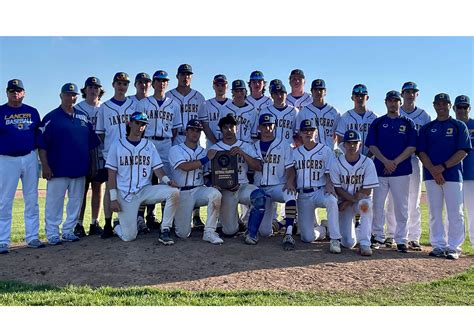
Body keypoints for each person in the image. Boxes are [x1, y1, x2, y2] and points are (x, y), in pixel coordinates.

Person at [38, 83, 100, 245]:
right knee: (54, 202)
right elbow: (42, 144)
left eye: (73, 95)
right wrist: (45, 165)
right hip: (58, 169)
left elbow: (92, 143)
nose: (70, 98)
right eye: (67, 94)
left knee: (75, 201)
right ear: (61, 96)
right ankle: (52, 232)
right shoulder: (51, 117)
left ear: (76, 97)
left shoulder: (82, 117)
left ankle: (68, 231)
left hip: (79, 169)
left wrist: (92, 165)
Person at [105, 112, 179, 244]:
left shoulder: (149, 145)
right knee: (129, 237)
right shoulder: (117, 145)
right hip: (125, 194)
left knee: (173, 192)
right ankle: (117, 225)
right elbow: (111, 174)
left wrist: (168, 181)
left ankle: (165, 230)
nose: (140, 126)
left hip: (145, 190)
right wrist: (113, 199)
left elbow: (158, 170)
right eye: (137, 123)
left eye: (143, 124)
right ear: (130, 123)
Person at [419, 93, 471, 260]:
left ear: (450, 106)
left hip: (453, 175)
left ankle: (454, 247)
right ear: (434, 105)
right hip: (431, 175)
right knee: (434, 211)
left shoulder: (458, 125)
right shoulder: (427, 128)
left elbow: (463, 151)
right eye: (438, 103)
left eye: (445, 103)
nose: (441, 106)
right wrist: (434, 171)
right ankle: (438, 245)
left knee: (455, 212)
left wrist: (442, 167)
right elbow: (421, 152)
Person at [365, 90, 417, 253]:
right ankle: (378, 236)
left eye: (396, 101)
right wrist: (385, 161)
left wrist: (394, 162)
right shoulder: (378, 122)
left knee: (401, 207)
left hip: (401, 170)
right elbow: (372, 146)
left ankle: (401, 239)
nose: (393, 103)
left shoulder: (408, 123)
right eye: (390, 101)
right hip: (380, 170)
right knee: (378, 205)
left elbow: (412, 147)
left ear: (400, 103)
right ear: (386, 102)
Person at [384, 82, 431, 250]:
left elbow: (425, 142)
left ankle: (413, 237)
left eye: (413, 92)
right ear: (402, 94)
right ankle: (390, 235)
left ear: (417, 94)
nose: (410, 95)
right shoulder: (396, 110)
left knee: (414, 199)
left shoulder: (423, 115)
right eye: (407, 92)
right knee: (392, 200)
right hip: (395, 161)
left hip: (413, 159)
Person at [0, 79, 44, 254]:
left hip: (29, 157)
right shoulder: (1, 111)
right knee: (4, 200)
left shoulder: (32, 112)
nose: (15, 93)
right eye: (12, 91)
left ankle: (33, 237)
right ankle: (3, 240)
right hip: (6, 159)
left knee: (32, 199)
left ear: (24, 93)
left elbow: (39, 138)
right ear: (7, 93)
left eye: (18, 91)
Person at [136, 70, 181, 233]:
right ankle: (141, 218)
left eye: (164, 81)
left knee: (165, 180)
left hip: (166, 142)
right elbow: (136, 125)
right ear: (153, 83)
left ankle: (165, 218)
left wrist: (166, 140)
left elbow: (175, 129)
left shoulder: (174, 105)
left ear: (167, 84)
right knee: (145, 180)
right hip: (147, 141)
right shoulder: (143, 103)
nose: (161, 83)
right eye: (158, 80)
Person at [95, 72, 139, 238]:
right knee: (110, 188)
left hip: (131, 153)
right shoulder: (105, 107)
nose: (122, 87)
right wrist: (106, 151)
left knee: (129, 187)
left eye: (125, 84)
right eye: (119, 83)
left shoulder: (134, 106)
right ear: (113, 85)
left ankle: (125, 221)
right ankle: (107, 223)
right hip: (112, 154)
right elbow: (100, 133)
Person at [208, 115, 264, 241]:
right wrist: (216, 185)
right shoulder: (215, 148)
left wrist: (242, 153)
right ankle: (235, 223)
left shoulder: (245, 146)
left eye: (231, 127)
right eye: (225, 127)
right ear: (221, 130)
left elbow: (258, 166)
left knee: (259, 196)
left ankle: (251, 234)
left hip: (243, 185)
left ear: (236, 129)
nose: (228, 130)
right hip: (226, 190)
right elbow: (208, 174)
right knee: (229, 231)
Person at [168, 119, 223, 244]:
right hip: (182, 192)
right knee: (183, 234)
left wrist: (212, 185)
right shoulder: (176, 149)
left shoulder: (203, 151)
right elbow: (185, 167)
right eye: (192, 129)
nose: (195, 133)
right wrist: (206, 159)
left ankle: (209, 232)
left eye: (198, 131)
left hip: (199, 189)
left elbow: (206, 176)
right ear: (186, 131)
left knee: (215, 194)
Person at [292, 119, 342, 253]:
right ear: (300, 134)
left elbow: (329, 172)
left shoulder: (325, 150)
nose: (308, 133)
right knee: (307, 238)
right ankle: (322, 229)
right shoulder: (295, 153)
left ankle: (335, 239)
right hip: (303, 195)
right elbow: (291, 173)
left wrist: (330, 185)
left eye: (311, 130)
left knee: (331, 200)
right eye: (305, 131)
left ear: (316, 132)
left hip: (319, 190)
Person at [166, 64, 206, 228]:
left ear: (191, 77)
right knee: (173, 178)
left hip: (195, 137)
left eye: (188, 74)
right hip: (176, 138)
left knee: (197, 174)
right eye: (182, 74)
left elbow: (203, 121)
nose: (185, 77)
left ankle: (196, 215)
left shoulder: (199, 96)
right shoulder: (169, 96)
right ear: (177, 76)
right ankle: (169, 214)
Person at [250, 113, 297, 250]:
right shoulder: (253, 146)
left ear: (274, 126)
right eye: (264, 125)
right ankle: (279, 224)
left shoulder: (284, 145)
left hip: (277, 186)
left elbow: (290, 168)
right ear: (259, 127)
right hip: (260, 188)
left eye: (270, 125)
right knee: (265, 232)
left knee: (290, 193)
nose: (267, 128)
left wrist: (289, 182)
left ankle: (288, 232)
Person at [330, 130, 379, 256]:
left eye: (355, 143)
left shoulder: (367, 162)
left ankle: (365, 244)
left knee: (366, 206)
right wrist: (348, 201)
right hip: (344, 202)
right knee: (347, 243)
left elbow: (367, 190)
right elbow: (337, 188)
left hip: (359, 201)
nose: (352, 146)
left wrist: (348, 201)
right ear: (343, 145)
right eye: (349, 143)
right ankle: (357, 232)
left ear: (360, 144)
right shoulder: (336, 163)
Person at [73, 77, 106, 238]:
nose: (93, 89)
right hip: (82, 153)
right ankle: (78, 224)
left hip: (100, 152)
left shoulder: (104, 108)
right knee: (82, 190)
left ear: (100, 90)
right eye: (90, 87)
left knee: (98, 188)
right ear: (84, 90)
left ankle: (95, 222)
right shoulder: (77, 109)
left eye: (96, 87)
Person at [295, 79, 340, 150]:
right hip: (310, 153)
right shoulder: (304, 112)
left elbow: (339, 135)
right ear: (311, 92)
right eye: (315, 89)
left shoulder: (334, 112)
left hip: (329, 152)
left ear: (325, 92)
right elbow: (298, 135)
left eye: (320, 89)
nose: (318, 92)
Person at [453, 95, 474, 248]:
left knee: (473, 212)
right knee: (453, 213)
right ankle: (452, 245)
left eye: (464, 107)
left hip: (472, 174)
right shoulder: (450, 125)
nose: (461, 110)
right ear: (454, 108)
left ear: (469, 109)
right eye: (458, 107)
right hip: (453, 175)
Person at [336, 84, 378, 156]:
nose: (360, 98)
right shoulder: (345, 117)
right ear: (352, 98)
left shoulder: (374, 117)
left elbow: (378, 140)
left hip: (371, 159)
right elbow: (340, 141)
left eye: (362, 95)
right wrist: (352, 155)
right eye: (357, 95)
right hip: (351, 159)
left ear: (367, 97)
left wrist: (368, 156)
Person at [198, 74, 233, 148]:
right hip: (212, 145)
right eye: (217, 85)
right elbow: (205, 127)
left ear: (227, 86)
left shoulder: (233, 104)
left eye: (223, 85)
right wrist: (216, 142)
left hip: (231, 144)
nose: (220, 87)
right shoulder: (205, 104)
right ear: (213, 86)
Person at [259, 80, 298, 145]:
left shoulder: (295, 111)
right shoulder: (264, 111)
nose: (279, 96)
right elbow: (260, 134)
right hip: (270, 148)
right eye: (276, 93)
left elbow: (297, 134)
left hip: (289, 148)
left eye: (281, 93)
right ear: (271, 95)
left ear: (286, 94)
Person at [220, 79, 259, 143]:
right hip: (229, 146)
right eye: (236, 91)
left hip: (247, 146)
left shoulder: (253, 110)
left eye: (241, 90)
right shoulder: (224, 110)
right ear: (232, 92)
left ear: (245, 91)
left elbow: (254, 135)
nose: (239, 93)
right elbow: (220, 133)